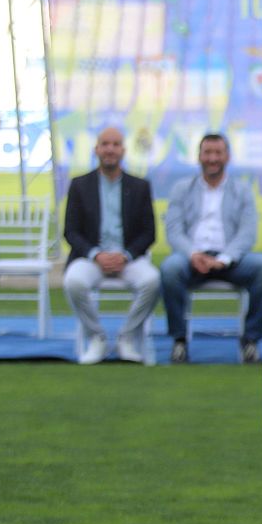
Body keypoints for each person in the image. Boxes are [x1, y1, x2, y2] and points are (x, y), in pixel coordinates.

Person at [160, 133, 262, 364]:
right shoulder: (182, 188)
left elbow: (247, 233)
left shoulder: (242, 190)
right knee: (169, 268)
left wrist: (223, 259)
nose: (212, 158)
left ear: (227, 157)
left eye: (218, 153)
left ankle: (250, 340)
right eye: (207, 153)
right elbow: (174, 231)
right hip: (191, 258)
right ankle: (179, 340)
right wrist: (194, 254)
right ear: (199, 156)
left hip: (230, 259)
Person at [62, 127, 160, 364]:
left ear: (124, 150)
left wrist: (125, 256)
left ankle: (127, 337)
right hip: (91, 259)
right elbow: (71, 232)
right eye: (105, 144)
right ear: (96, 149)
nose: (110, 149)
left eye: (115, 144)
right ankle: (97, 337)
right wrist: (96, 255)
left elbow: (149, 233)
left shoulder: (140, 186)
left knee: (152, 281)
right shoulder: (80, 185)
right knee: (73, 281)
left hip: (129, 259)